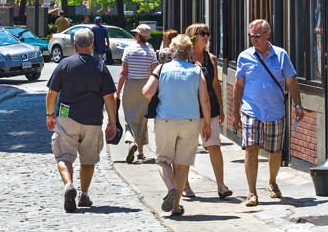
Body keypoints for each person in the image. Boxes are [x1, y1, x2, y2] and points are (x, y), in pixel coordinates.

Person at [231, 19, 303, 207]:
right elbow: (239, 85)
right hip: (251, 110)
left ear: (267, 34)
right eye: (251, 35)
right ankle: (252, 192)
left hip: (275, 110)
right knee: (251, 148)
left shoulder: (281, 55)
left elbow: (291, 81)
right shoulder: (244, 57)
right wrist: (235, 113)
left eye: (257, 35)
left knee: (275, 151)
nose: (253, 39)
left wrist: (298, 105)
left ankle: (272, 181)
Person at [46, 28, 117, 212]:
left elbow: (52, 92)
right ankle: (84, 195)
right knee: (88, 159)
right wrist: (112, 122)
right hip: (92, 119)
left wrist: (50, 114)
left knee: (63, 156)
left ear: (75, 45)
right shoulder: (100, 66)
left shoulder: (64, 64)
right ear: (92, 45)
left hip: (68, 117)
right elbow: (109, 97)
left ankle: (68, 185)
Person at [142, 34, 211, 217]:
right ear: (189, 52)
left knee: (163, 160)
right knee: (181, 166)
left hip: (165, 119)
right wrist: (207, 124)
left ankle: (171, 189)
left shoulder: (161, 68)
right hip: (191, 121)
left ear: (171, 51)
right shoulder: (197, 72)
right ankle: (175, 206)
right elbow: (204, 99)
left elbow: (147, 92)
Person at [185, 23, 231, 199]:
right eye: (201, 33)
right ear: (192, 36)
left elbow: (215, 85)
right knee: (187, 149)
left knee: (214, 146)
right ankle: (186, 185)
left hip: (209, 108)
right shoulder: (184, 57)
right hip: (189, 109)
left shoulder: (210, 58)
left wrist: (220, 108)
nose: (205, 36)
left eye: (207, 33)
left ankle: (221, 186)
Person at [118, 23, 157, 164]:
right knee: (142, 118)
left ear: (138, 35)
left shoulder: (129, 50)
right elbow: (154, 73)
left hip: (130, 85)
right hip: (145, 85)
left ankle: (131, 141)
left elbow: (123, 73)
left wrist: (117, 91)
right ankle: (140, 151)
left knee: (129, 117)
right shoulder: (151, 52)